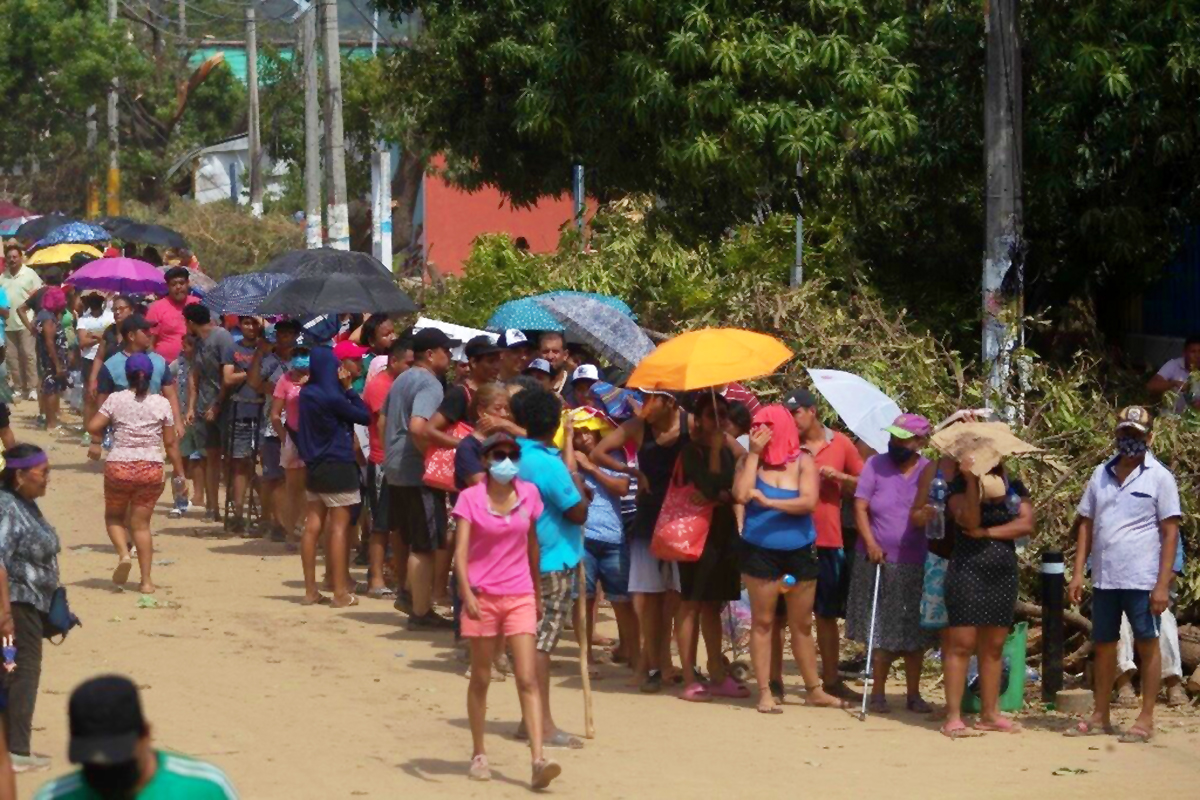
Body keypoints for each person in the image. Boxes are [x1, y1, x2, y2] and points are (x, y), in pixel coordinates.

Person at [453, 433, 562, 789]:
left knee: (527, 677)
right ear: (485, 460)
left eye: (513, 455)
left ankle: (537, 758)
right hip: (483, 596)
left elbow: (532, 543)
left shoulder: (528, 495)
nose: (507, 462)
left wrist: (537, 589)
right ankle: (479, 751)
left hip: (519, 594)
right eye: (499, 455)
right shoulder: (470, 498)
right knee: (482, 677)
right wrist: (466, 591)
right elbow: (461, 550)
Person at [1067, 406, 1181, 743]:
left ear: (1149, 436)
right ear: (1117, 435)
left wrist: (1162, 584)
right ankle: (1100, 714)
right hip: (1105, 579)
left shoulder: (1160, 477)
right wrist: (1077, 573)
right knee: (1104, 645)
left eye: (1136, 434)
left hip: (1143, 580)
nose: (1130, 440)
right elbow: (1085, 525)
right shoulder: (1100, 474)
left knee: (1148, 645)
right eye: (1125, 433)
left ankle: (1145, 719)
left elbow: (1170, 533)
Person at [733, 406, 843, 713]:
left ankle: (814, 689)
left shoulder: (803, 461)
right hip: (760, 551)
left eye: (765, 426)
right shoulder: (748, 461)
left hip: (799, 550)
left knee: (801, 624)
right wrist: (754, 453)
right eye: (755, 426)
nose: (758, 431)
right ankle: (766, 691)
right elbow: (740, 495)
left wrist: (768, 501)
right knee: (764, 622)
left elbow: (809, 502)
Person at [511, 387, 589, 749]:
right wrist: (577, 483)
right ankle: (542, 724)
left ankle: (530, 718)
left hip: (519, 561)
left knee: (529, 641)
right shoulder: (547, 464)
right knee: (541, 645)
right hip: (551, 562)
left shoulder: (513, 457)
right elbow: (577, 511)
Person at [593, 390, 685, 693]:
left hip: (681, 520)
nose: (643, 405)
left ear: (669, 401)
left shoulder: (692, 424)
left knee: (674, 599)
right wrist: (630, 470)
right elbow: (599, 452)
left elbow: (730, 452)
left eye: (650, 399)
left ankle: (664, 662)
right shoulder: (637, 426)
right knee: (648, 598)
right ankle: (649, 663)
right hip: (648, 518)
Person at [847, 413, 938, 714]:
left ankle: (913, 695)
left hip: (916, 560)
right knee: (882, 630)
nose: (896, 443)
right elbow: (860, 507)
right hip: (878, 560)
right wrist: (871, 543)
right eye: (894, 437)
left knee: (913, 631)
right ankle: (878, 694)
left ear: (920, 442)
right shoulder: (875, 464)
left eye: (904, 438)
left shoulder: (929, 471)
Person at [939, 449, 1034, 737]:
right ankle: (954, 716)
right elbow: (968, 520)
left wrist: (988, 534)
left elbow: (1027, 524)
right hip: (967, 569)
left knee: (993, 647)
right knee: (961, 643)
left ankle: (990, 714)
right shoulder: (956, 485)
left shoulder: (1014, 485)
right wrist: (970, 481)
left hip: (1002, 572)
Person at [32, 674, 238, 799]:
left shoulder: (205, 790)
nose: (106, 771)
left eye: (116, 758)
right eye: (92, 762)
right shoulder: (53, 797)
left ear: (146, 734)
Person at [783, 388, 864, 698]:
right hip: (791, 540)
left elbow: (865, 484)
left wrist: (841, 478)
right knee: (787, 614)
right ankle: (779, 681)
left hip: (829, 540)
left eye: (796, 413)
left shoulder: (841, 443)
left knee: (827, 614)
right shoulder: (786, 445)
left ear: (812, 411)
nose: (792, 420)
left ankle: (831, 680)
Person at [87, 354, 186, 594]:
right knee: (141, 526)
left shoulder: (116, 399)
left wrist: (104, 431)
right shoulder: (162, 403)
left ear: (126, 375)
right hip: (150, 467)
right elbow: (171, 444)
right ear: (151, 376)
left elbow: (92, 426)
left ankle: (123, 554)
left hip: (119, 465)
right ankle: (146, 582)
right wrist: (180, 475)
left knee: (114, 517)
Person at [384, 328, 459, 629]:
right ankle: (420, 610)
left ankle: (409, 595)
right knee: (425, 544)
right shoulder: (430, 383)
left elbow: (382, 419)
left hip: (395, 467)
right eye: (447, 350)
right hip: (416, 472)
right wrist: (433, 458)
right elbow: (418, 428)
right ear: (431, 354)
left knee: (409, 537)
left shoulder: (401, 378)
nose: (451, 356)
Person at [674, 393, 745, 702]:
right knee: (690, 603)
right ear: (698, 419)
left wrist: (722, 494)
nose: (718, 420)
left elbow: (732, 490)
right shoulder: (690, 451)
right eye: (711, 414)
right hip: (695, 535)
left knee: (712, 605)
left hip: (722, 534)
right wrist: (721, 491)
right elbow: (710, 485)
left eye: (723, 414)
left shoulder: (729, 450)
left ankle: (717, 671)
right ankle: (689, 675)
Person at [0, 444, 60, 772]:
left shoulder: (24, 503)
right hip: (16, 605)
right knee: (22, 671)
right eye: (43, 472)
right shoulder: (7, 507)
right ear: (20, 475)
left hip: (28, 604)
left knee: (10, 671)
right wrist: (5, 614)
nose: (47, 478)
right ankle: (16, 751)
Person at [295, 346, 370, 608]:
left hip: (314, 465)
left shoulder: (307, 393)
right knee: (339, 527)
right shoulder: (333, 396)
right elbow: (364, 415)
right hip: (338, 463)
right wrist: (349, 388)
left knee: (312, 525)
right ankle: (339, 592)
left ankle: (310, 590)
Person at [568, 407, 639, 675]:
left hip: (613, 537)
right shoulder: (569, 460)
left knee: (623, 601)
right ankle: (585, 658)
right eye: (578, 433)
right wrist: (572, 454)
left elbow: (622, 488)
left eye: (588, 431)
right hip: (583, 537)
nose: (584, 438)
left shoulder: (613, 456)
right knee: (583, 600)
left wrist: (591, 467)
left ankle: (633, 654)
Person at [363, 338, 414, 598]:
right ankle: (375, 579)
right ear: (393, 361)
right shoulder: (380, 386)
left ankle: (396, 577)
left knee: (396, 524)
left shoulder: (397, 384)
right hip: (383, 461)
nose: (412, 367)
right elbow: (383, 424)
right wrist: (388, 457)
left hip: (395, 461)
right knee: (381, 524)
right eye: (408, 363)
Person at [92, 316, 183, 457]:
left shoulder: (159, 362)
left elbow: (170, 394)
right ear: (131, 336)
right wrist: (96, 440)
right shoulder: (111, 366)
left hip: (151, 436)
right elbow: (101, 402)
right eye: (145, 331)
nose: (150, 334)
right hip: (122, 437)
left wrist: (177, 423)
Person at [247, 320, 301, 538]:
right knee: (274, 477)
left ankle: (291, 522)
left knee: (294, 478)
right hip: (272, 425)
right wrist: (259, 354)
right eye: (282, 333)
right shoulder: (270, 361)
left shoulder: (302, 360)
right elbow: (253, 383)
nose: (285, 337)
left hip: (298, 427)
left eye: (290, 333)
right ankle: (274, 522)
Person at [184, 304, 236, 524]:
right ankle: (212, 507)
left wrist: (217, 404)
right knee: (211, 458)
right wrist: (191, 407)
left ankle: (234, 506)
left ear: (190, 322)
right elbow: (195, 377)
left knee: (232, 459)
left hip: (225, 406)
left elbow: (227, 377)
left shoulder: (222, 338)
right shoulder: (198, 343)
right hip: (205, 407)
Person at [221, 316, 268, 533]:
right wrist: (251, 373)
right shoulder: (233, 348)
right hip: (239, 410)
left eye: (255, 323)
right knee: (240, 463)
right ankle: (238, 512)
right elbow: (228, 379)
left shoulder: (269, 348)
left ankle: (269, 513)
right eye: (247, 323)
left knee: (263, 466)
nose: (251, 327)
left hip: (263, 411)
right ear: (240, 324)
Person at [270, 348, 310, 543]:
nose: (301, 375)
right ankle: (291, 532)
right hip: (293, 438)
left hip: (314, 440)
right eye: (298, 371)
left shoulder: (316, 380)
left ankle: (309, 530)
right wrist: (285, 437)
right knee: (293, 489)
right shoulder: (284, 380)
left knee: (313, 489)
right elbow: (275, 414)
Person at [0, 242, 41, 401]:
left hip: (26, 322)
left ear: (21, 258)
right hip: (7, 324)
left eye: (15, 257)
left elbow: (38, 296)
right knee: (12, 358)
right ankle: (18, 387)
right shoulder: (2, 278)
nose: (12, 260)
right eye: (9, 257)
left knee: (29, 355)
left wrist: (35, 319)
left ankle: (32, 388)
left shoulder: (30, 274)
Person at [75, 293, 113, 443]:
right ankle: (88, 430)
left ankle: (105, 429)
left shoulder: (110, 316)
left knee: (108, 395)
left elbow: (111, 338)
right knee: (90, 396)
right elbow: (82, 342)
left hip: (107, 359)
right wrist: (101, 336)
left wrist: (95, 336)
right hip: (89, 359)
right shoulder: (84, 319)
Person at [144, 266, 199, 364]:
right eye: (174, 284)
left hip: (194, 365)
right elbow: (149, 343)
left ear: (188, 283)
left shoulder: (198, 305)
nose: (178, 287)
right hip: (165, 367)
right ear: (168, 286)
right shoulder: (157, 308)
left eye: (181, 283)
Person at [33, 287, 70, 430]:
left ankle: (51, 421)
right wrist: (57, 365)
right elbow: (49, 342)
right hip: (50, 361)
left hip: (47, 359)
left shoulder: (43, 315)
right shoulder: (47, 318)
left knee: (50, 388)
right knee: (51, 389)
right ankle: (51, 423)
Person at [1146, 334, 1200, 414]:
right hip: (1170, 419)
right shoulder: (1174, 365)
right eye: (1193, 352)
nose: (1197, 356)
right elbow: (1151, 386)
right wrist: (1173, 384)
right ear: (1184, 353)